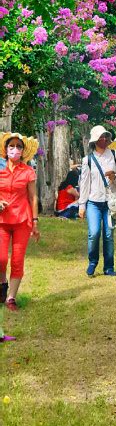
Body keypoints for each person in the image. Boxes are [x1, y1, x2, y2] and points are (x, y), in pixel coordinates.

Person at [0, 132, 40, 311]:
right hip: (1, 221)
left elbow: (33, 197)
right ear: (5, 149)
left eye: (18, 146)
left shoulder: (28, 171)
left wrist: (35, 221)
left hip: (22, 221)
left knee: (17, 260)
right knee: (1, 258)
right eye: (12, 146)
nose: (15, 149)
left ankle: (11, 298)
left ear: (23, 151)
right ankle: (2, 284)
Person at [79, 125, 116, 277]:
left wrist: (115, 177)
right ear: (94, 140)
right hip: (94, 201)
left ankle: (109, 267)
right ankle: (92, 262)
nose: (104, 139)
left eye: (106, 136)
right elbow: (84, 183)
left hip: (110, 201)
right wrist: (82, 205)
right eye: (101, 137)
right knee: (94, 233)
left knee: (108, 235)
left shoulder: (114, 153)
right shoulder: (88, 160)